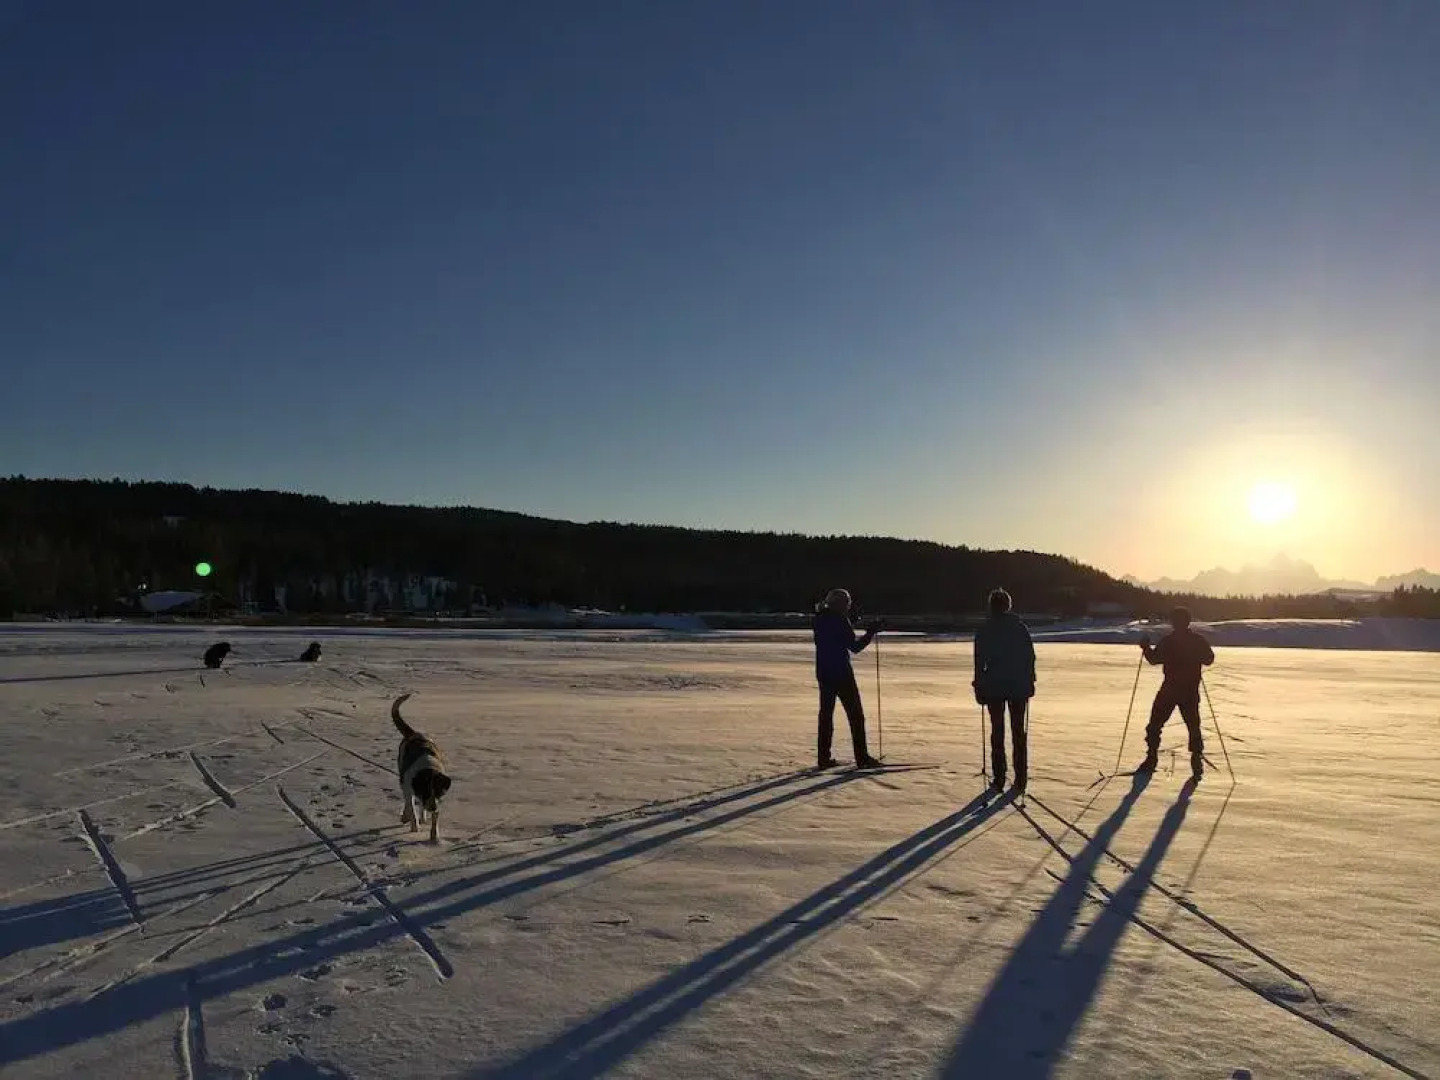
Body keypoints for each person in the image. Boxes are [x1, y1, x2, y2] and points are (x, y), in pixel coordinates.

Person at [1137, 606, 1215, 780]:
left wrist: (1145, 648)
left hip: (1170, 689)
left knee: (1155, 725)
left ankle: (1151, 758)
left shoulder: (1168, 641)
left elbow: (1154, 659)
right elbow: (1209, 659)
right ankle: (1196, 762)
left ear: (1173, 622)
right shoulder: (1197, 640)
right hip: (1189, 691)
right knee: (1193, 726)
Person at [811, 588, 883, 769]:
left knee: (826, 716)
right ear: (842, 605)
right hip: (841, 674)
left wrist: (851, 622)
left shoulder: (819, 618)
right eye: (847, 604)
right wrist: (871, 632)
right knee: (856, 716)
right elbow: (854, 646)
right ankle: (862, 758)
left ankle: (823, 758)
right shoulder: (840, 620)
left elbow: (833, 634)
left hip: (823, 672)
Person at [972, 588, 1035, 793]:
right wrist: (1029, 682)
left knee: (997, 732)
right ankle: (1021, 778)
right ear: (1008, 605)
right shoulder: (1020, 628)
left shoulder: (985, 629)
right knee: (1018, 733)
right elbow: (1029, 658)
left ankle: (999, 778)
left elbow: (979, 661)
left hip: (994, 687)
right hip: (1017, 687)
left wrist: (979, 686)